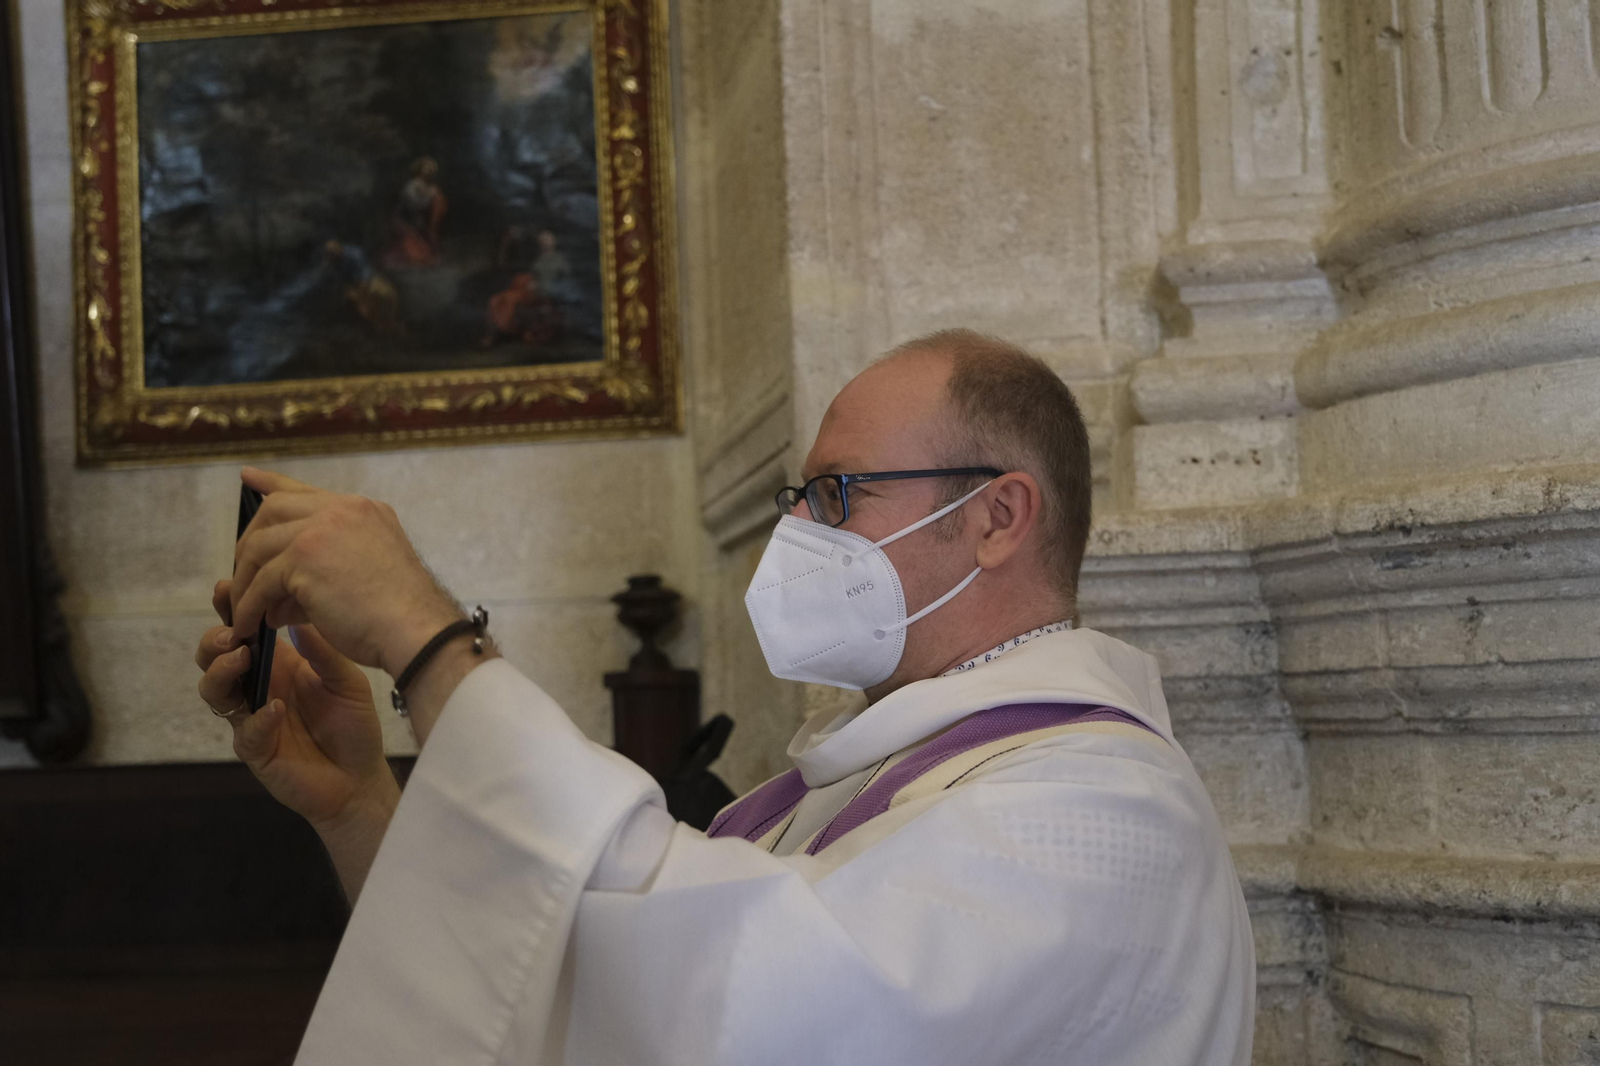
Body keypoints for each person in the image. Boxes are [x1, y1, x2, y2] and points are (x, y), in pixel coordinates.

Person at [196, 330, 1254, 1064]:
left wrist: (429, 643)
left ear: (998, 516)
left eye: (835, 494)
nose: (800, 532)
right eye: (801, 498)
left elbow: (753, 1013)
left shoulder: (1104, 804)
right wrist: (366, 807)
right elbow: (583, 970)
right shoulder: (868, 774)